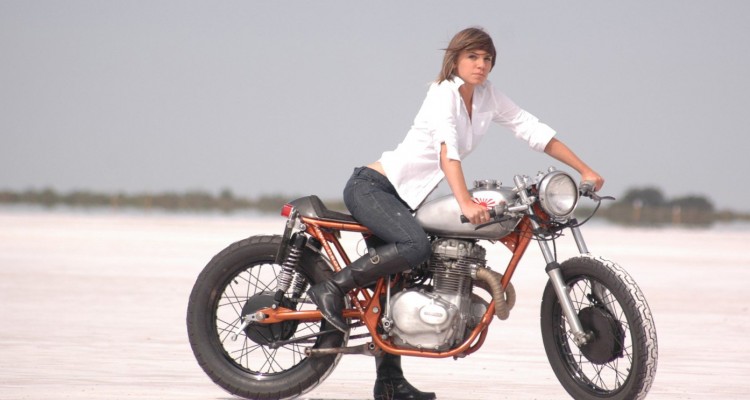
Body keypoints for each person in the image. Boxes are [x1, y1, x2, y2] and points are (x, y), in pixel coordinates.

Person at [308, 27, 604, 400]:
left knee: (400, 281)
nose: (481, 65)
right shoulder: (442, 94)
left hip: (404, 201)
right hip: (373, 187)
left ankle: (389, 384)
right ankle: (331, 288)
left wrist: (584, 169)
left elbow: (531, 129)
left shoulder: (487, 97)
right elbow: (448, 148)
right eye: (473, 57)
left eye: (487, 58)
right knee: (415, 246)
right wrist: (465, 202)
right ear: (456, 59)